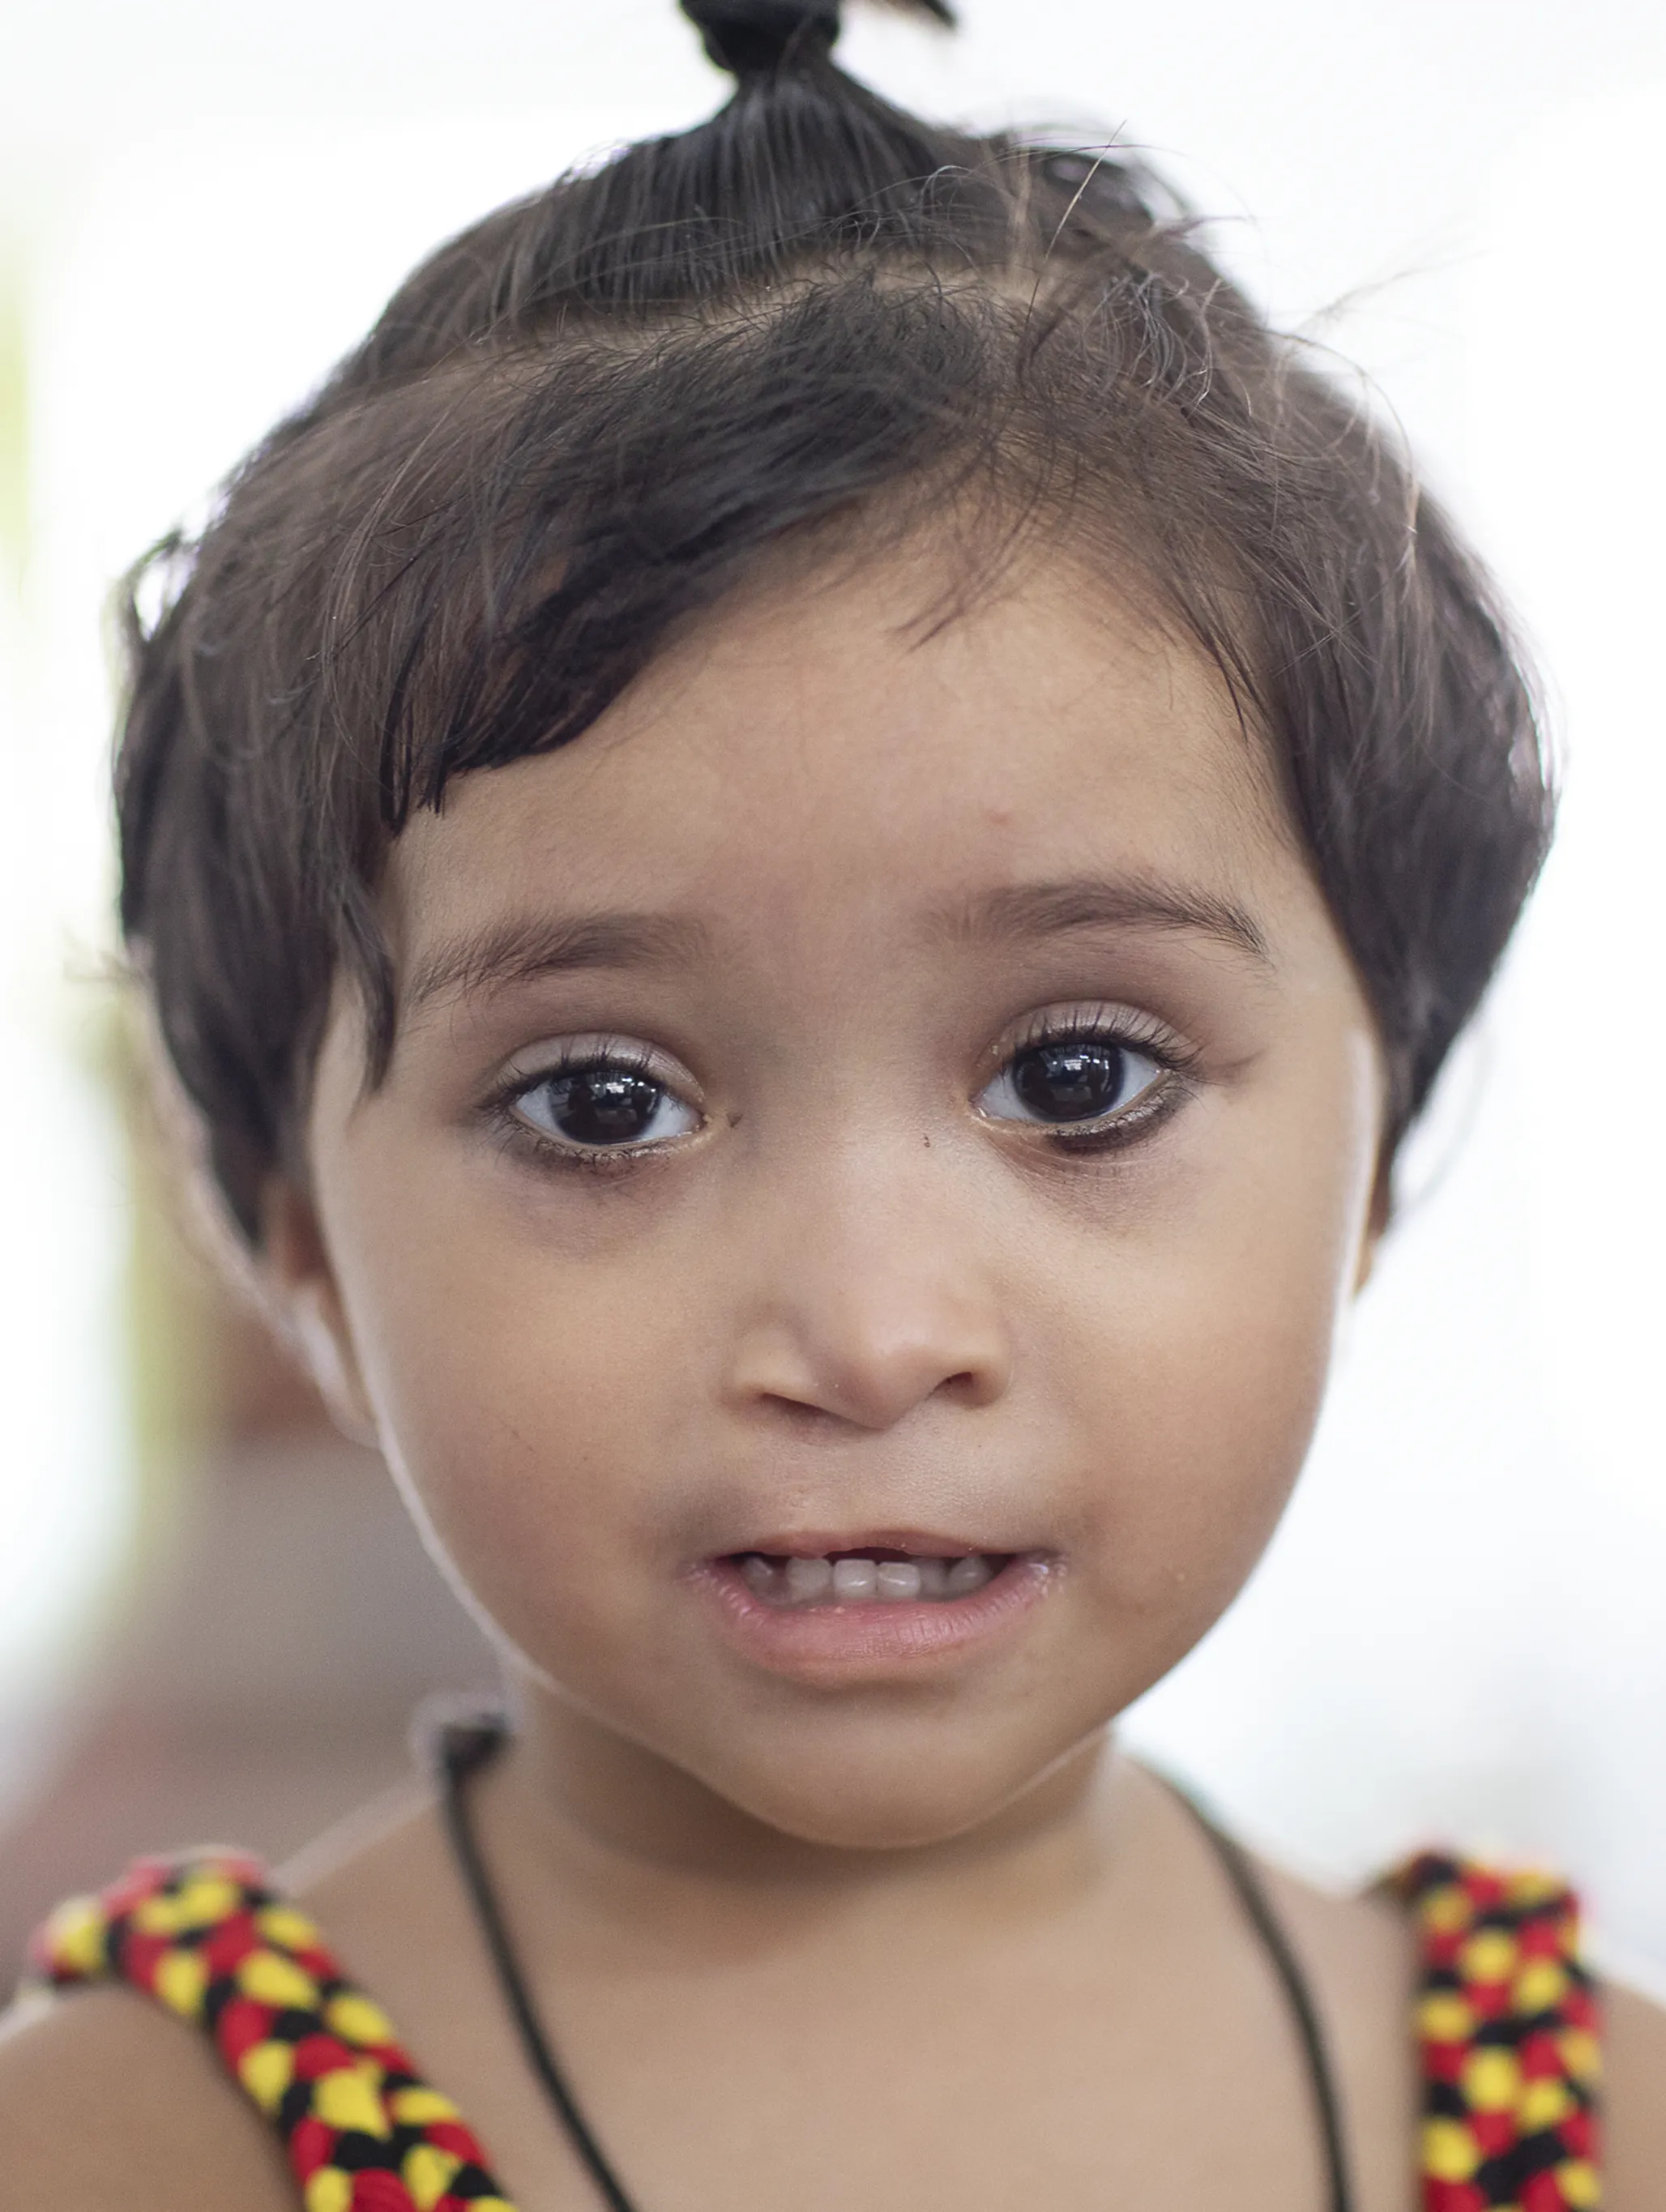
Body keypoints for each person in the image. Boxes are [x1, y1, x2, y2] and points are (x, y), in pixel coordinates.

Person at [2, 0, 1660, 2202]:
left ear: (1378, 1137)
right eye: (601, 1104)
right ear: (286, 1228)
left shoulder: (1604, 2129)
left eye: (1082, 1077)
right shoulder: (120, 2157)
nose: (877, 1334)